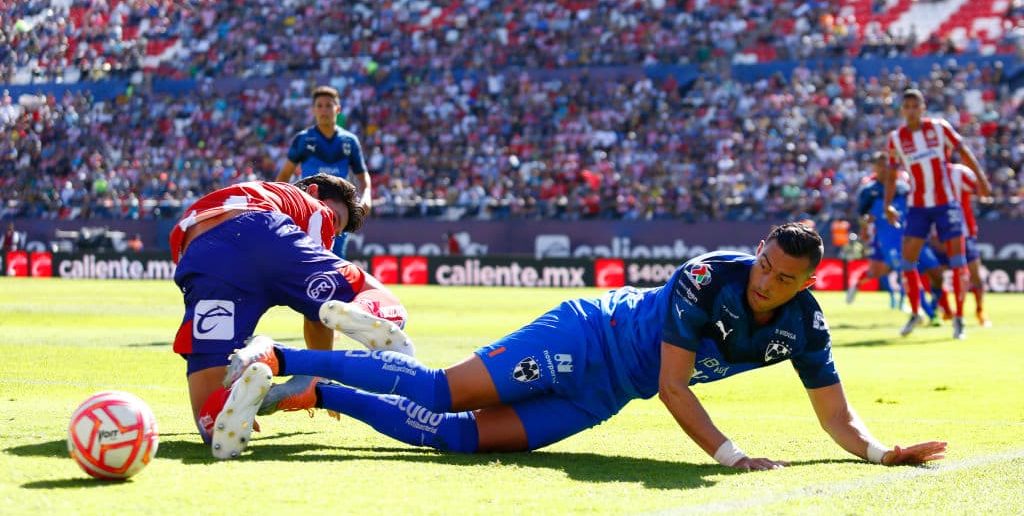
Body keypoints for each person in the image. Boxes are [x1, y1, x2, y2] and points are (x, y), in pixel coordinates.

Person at [215, 222, 946, 469]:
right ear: (756, 251)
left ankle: (318, 391)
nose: (765, 281)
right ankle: (283, 357)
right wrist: (732, 455)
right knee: (440, 389)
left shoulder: (806, 326)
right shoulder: (706, 277)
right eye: (763, 263)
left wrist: (882, 452)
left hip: (601, 395)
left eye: (784, 278)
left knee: (457, 441)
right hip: (583, 336)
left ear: (807, 282)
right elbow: (673, 386)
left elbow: (835, 416)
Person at [169, 174, 413, 458]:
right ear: (313, 191)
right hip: (265, 230)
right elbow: (318, 317)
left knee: (206, 411)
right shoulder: (310, 205)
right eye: (335, 220)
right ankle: (362, 310)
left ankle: (220, 413)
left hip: (200, 254)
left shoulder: (247, 191)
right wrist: (319, 375)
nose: (331, 235)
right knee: (376, 296)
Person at [884, 88, 991, 340]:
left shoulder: (940, 128)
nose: (911, 110)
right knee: (907, 259)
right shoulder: (896, 139)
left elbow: (964, 152)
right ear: (902, 110)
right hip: (918, 206)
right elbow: (891, 174)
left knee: (958, 260)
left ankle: (959, 319)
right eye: (906, 106)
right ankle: (915, 313)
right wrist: (888, 204)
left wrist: (982, 181)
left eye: (915, 106)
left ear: (922, 108)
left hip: (946, 203)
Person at [848, 153, 949, 322]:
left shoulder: (904, 187)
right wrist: (865, 225)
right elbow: (861, 216)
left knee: (936, 274)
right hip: (888, 242)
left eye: (888, 165)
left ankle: (934, 308)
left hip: (913, 239)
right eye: (881, 165)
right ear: (875, 167)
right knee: (901, 272)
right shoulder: (869, 190)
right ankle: (928, 315)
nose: (885, 168)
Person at [276, 86, 372, 258]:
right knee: (304, 261)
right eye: (319, 106)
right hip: (307, 213)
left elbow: (363, 177)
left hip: (338, 214)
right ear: (313, 110)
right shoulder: (303, 139)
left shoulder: (349, 141)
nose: (324, 110)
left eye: (328, 105)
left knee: (334, 263)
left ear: (338, 109)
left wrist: (366, 197)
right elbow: (284, 176)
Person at [949, 162, 991, 327]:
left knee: (975, 275)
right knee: (932, 272)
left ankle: (980, 310)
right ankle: (942, 309)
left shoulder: (959, 172)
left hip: (963, 233)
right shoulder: (923, 169)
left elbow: (982, 192)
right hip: (937, 233)